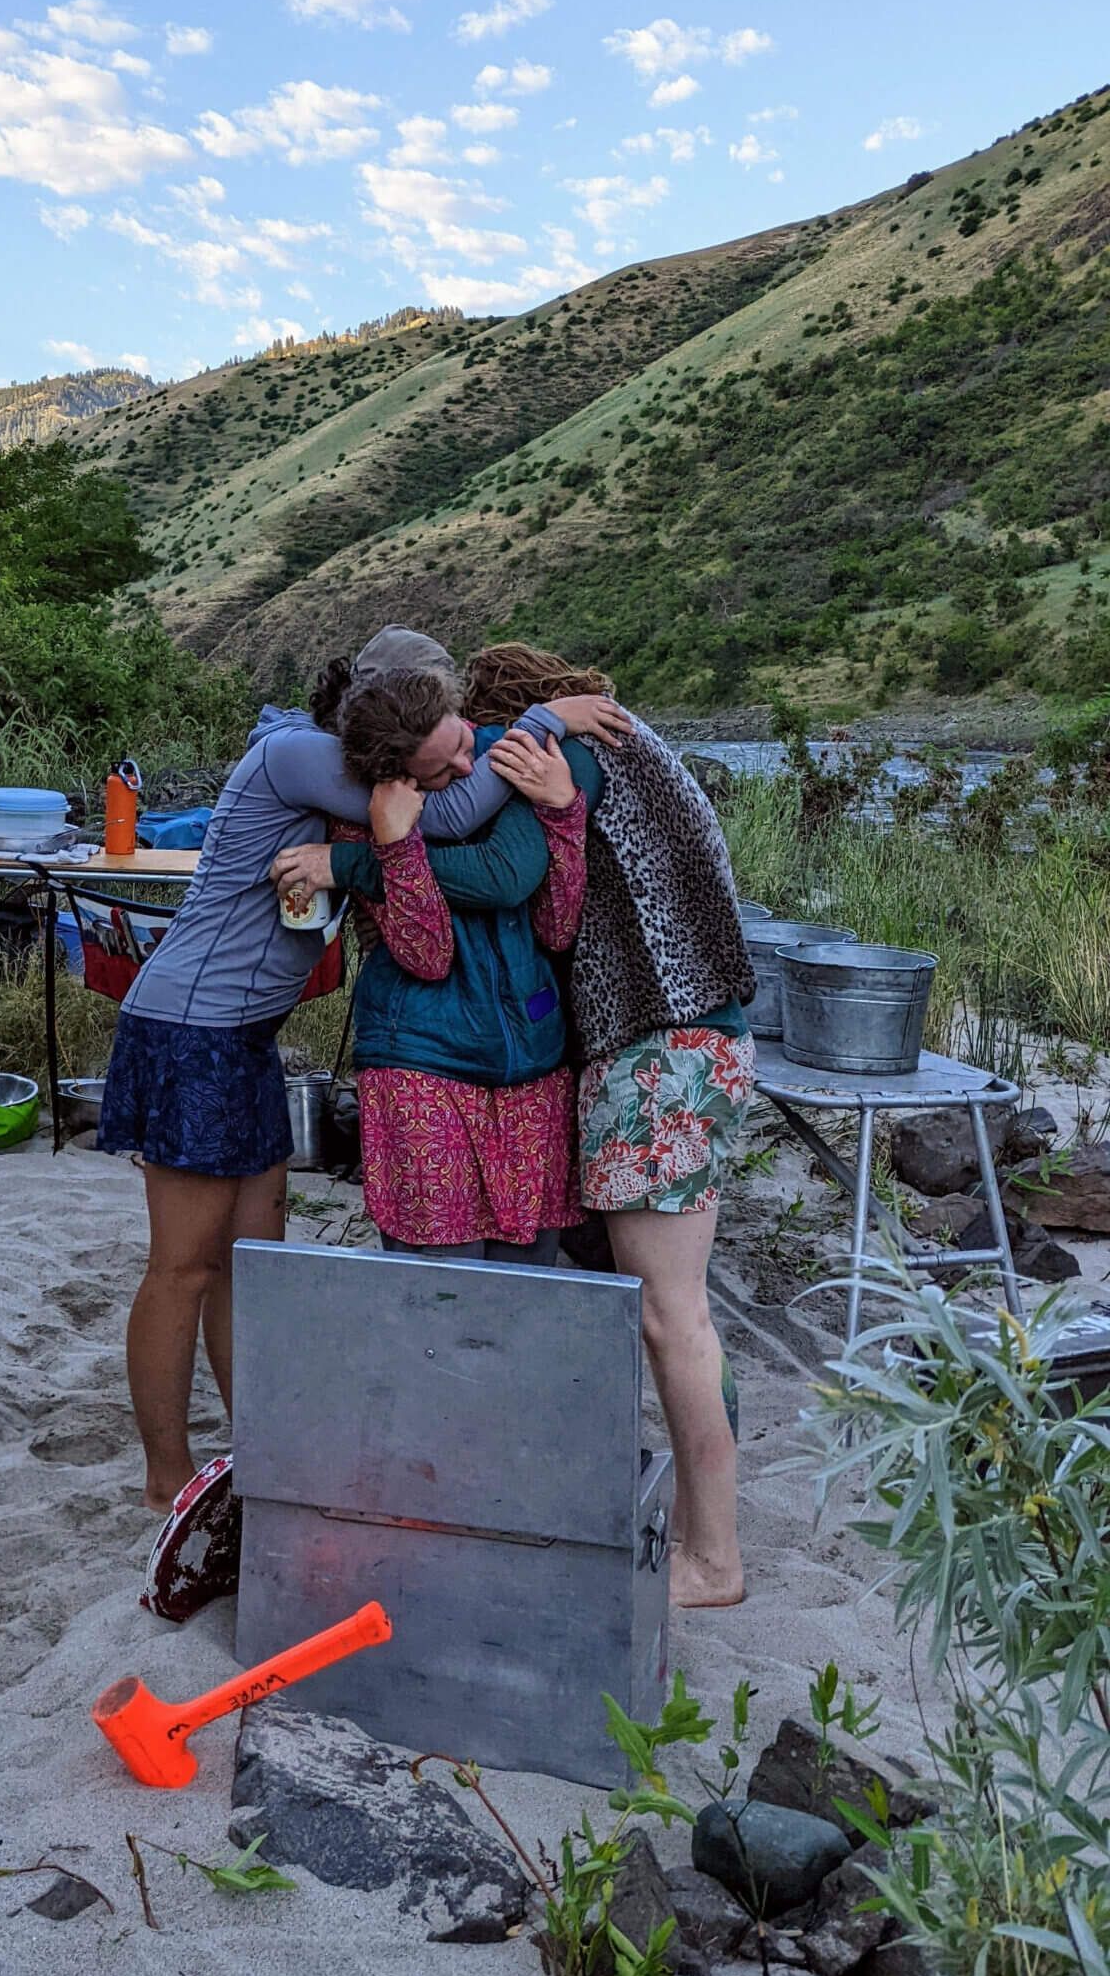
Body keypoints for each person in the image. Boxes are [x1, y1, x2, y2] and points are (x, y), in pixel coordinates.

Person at [98, 625, 631, 1506]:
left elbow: (442, 829)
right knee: (184, 1265)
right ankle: (165, 1479)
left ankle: (252, 1451)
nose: (458, 760)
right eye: (447, 745)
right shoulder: (296, 755)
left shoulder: (342, 769)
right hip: (191, 1027)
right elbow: (445, 817)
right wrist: (544, 720)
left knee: (251, 1257)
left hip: (244, 1036)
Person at [467, 643, 756, 1611]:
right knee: (683, 1313)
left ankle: (713, 1559)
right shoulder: (635, 746)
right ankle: (707, 1528)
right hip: (701, 1042)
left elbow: (535, 894)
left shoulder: (568, 760)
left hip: (656, 1052)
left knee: (671, 1317)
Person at [289, 674, 602, 1263]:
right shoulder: (368, 818)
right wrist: (395, 845)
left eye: (461, 739)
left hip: (532, 1069)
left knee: (528, 1288)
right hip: (423, 1070)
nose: (467, 767)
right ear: (397, 776)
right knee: (441, 1294)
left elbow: (557, 928)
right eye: (443, 770)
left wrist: (562, 812)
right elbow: (426, 955)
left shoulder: (506, 762)